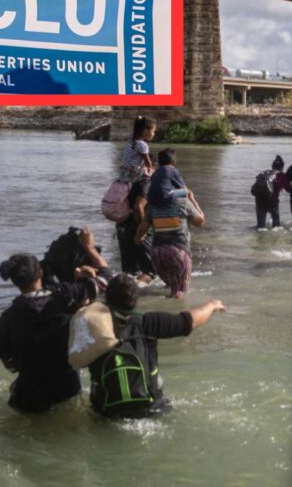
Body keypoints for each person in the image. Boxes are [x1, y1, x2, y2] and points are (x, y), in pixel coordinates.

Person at [88, 274, 226, 418]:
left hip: (107, 414)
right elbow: (189, 322)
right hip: (149, 409)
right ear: (136, 300)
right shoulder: (148, 323)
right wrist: (212, 305)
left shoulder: (92, 328)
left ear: (106, 300)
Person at [0, 252, 105, 412]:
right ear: (41, 273)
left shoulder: (6, 319)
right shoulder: (65, 297)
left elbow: (8, 363)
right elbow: (105, 281)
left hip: (27, 395)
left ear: (14, 281)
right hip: (66, 389)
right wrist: (86, 267)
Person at [136, 150, 206, 298]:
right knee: (179, 295)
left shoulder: (153, 205)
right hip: (179, 254)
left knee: (167, 288)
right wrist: (192, 198)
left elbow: (141, 231)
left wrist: (138, 239)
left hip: (157, 255)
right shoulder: (183, 201)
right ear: (174, 164)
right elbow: (200, 221)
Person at [253, 155, 291, 229]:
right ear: (282, 167)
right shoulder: (281, 175)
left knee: (260, 228)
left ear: (272, 166)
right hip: (272, 201)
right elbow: (289, 189)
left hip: (259, 201)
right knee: (276, 227)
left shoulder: (263, 173)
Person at [120, 116, 156, 183]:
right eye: (153, 131)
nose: (154, 134)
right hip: (133, 174)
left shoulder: (131, 141)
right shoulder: (142, 144)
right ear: (145, 130)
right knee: (153, 170)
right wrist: (152, 170)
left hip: (124, 173)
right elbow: (148, 163)